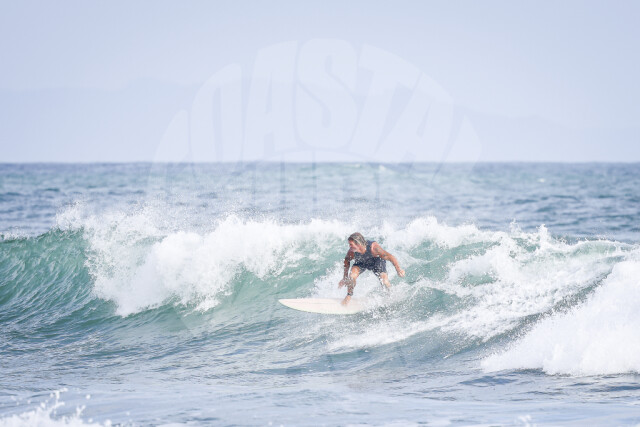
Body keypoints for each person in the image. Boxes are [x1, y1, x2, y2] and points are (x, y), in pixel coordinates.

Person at [338, 232, 405, 305]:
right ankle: (349, 295)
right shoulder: (351, 251)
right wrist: (345, 277)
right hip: (361, 262)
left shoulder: (374, 248)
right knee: (351, 277)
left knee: (385, 281)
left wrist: (398, 269)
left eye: (351, 244)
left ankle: (390, 296)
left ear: (358, 244)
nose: (349, 246)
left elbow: (390, 257)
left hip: (376, 262)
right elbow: (346, 261)